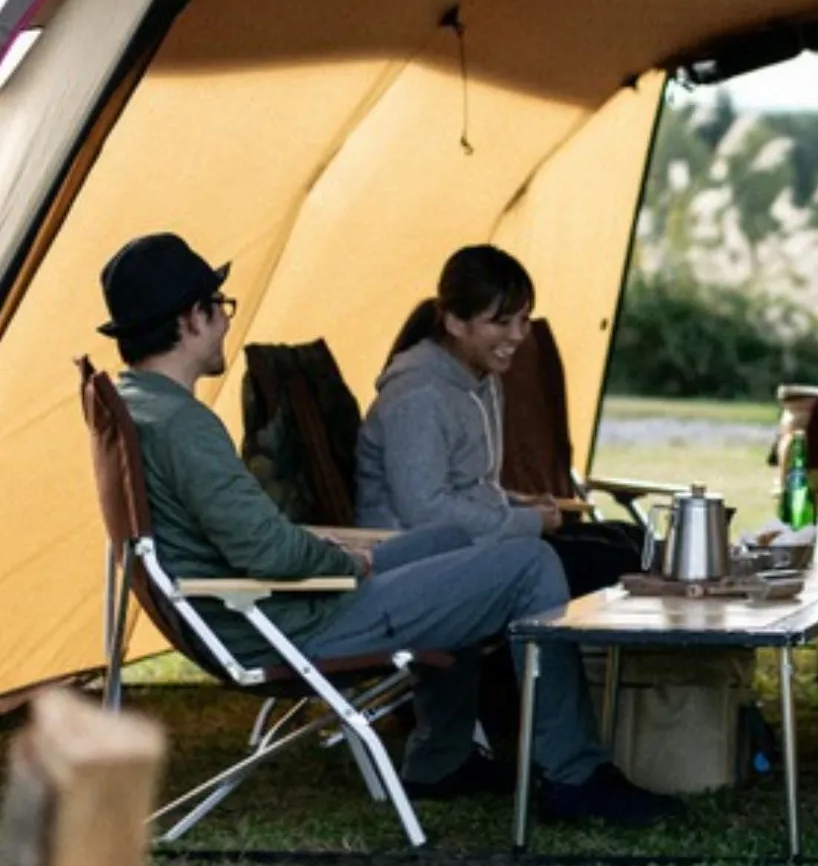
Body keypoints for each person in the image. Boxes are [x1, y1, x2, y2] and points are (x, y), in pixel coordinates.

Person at [100, 231, 676, 824]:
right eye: (218, 309)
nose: (224, 323)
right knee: (532, 565)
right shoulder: (183, 426)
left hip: (265, 608)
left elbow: (254, 540)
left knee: (450, 542)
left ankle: (441, 758)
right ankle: (575, 776)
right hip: (293, 622)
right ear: (191, 319)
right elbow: (266, 548)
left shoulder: (139, 406)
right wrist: (347, 562)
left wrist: (325, 549)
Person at [356, 245, 640, 596]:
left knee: (631, 539)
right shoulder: (417, 397)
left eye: (523, 319)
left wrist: (518, 503)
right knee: (614, 561)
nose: (519, 335)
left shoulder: (483, 381)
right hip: (420, 564)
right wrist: (525, 522)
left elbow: (467, 485)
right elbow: (425, 510)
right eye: (501, 322)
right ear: (455, 323)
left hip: (473, 545)